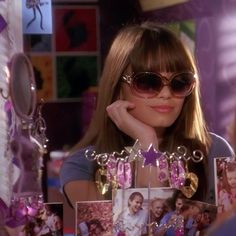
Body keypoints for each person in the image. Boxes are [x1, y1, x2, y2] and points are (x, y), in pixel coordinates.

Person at [60, 21, 235, 207]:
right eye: (148, 82)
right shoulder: (82, 167)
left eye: (179, 82)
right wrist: (146, 143)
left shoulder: (215, 151)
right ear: (118, 87)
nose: (166, 94)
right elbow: (144, 228)